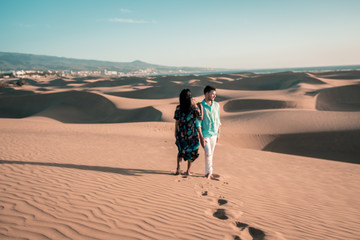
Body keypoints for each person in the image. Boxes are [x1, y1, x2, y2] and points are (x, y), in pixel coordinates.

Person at [174, 89, 203, 175]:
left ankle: (178, 168)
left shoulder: (178, 108)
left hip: (181, 132)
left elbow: (177, 122)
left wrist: (176, 133)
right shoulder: (194, 107)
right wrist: (200, 107)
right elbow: (200, 118)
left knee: (181, 151)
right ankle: (188, 171)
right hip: (192, 133)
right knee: (192, 151)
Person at [196, 86, 221, 179]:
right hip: (205, 134)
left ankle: (209, 172)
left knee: (211, 154)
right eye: (212, 93)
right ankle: (208, 172)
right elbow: (198, 123)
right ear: (206, 93)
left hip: (214, 134)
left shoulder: (217, 105)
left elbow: (218, 119)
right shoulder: (200, 106)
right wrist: (201, 136)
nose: (214, 95)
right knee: (208, 153)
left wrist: (218, 133)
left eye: (215, 94)